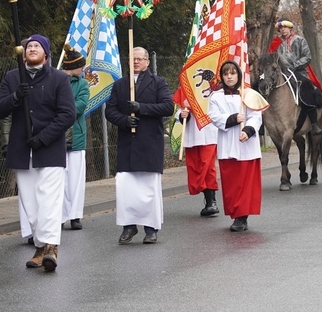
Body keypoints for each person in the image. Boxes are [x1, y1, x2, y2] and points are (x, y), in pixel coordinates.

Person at [0, 34, 76, 271]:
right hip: (22, 151)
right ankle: (41, 246)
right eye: (29, 46)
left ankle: (51, 249)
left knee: (49, 199)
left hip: (48, 149)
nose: (32, 49)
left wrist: (44, 138)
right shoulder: (12, 77)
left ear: (46, 53)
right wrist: (16, 96)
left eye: (37, 46)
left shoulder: (58, 79)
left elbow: (67, 114)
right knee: (31, 203)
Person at [105, 47, 174, 245]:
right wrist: (124, 120)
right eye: (132, 59)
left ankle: (151, 228)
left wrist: (141, 109)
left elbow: (167, 107)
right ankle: (129, 226)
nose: (135, 62)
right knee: (126, 187)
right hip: (127, 144)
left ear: (147, 62)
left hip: (150, 143)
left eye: (139, 59)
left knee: (148, 188)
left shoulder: (158, 82)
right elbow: (110, 111)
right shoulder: (120, 85)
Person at [208, 60, 266, 232]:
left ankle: (242, 216)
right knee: (232, 183)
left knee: (245, 182)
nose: (229, 77)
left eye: (233, 73)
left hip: (246, 145)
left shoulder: (248, 94)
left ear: (238, 75)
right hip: (228, 144)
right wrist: (234, 118)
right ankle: (235, 212)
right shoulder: (216, 97)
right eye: (226, 74)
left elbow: (256, 115)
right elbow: (215, 117)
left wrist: (248, 130)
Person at [269, 19, 322, 134]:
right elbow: (271, 58)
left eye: (285, 27)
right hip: (281, 73)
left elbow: (307, 57)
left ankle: (314, 124)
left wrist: (294, 65)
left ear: (290, 28)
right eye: (281, 28)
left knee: (308, 87)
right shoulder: (276, 42)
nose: (282, 29)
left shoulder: (300, 40)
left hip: (298, 72)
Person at [61, 44, 90, 231]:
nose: (83, 69)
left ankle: (75, 215)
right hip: (56, 137)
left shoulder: (83, 84)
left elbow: (79, 106)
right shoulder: (55, 80)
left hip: (77, 137)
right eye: (80, 66)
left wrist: (61, 107)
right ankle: (60, 214)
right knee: (59, 179)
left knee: (76, 180)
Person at [177, 103, 220, 217]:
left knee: (208, 166)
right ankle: (208, 201)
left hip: (209, 133)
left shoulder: (214, 88)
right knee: (195, 166)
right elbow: (179, 111)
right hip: (192, 133)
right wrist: (183, 115)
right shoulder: (186, 88)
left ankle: (212, 202)